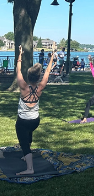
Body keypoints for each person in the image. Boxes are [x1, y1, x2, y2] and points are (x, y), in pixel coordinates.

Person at [15, 44, 57, 175]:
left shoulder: (23, 87)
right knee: (28, 132)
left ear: (28, 77)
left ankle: (30, 168)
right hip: (35, 121)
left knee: (24, 142)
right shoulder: (41, 87)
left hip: (23, 122)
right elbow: (48, 72)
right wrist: (52, 55)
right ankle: (26, 155)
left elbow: (18, 70)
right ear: (38, 78)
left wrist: (20, 55)